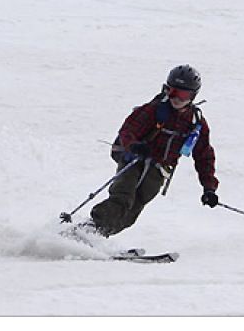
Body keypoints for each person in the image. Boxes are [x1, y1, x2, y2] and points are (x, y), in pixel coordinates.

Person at [88, 64, 219, 237]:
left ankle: (98, 236)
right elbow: (128, 130)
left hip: (159, 169)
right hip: (135, 159)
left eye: (183, 94)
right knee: (123, 197)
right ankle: (90, 228)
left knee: (134, 209)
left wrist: (209, 188)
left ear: (193, 96)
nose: (176, 98)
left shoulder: (196, 122)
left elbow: (204, 156)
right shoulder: (154, 109)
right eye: (172, 91)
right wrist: (134, 145)